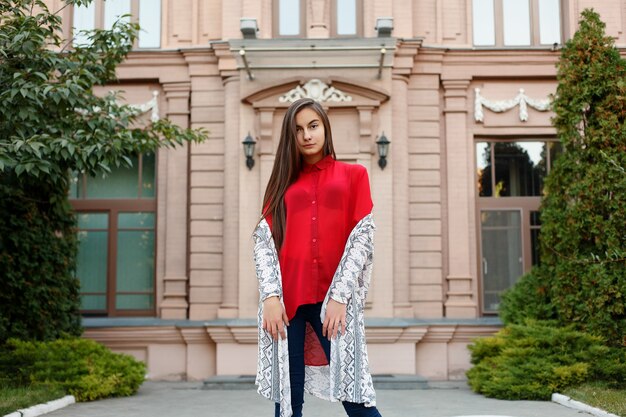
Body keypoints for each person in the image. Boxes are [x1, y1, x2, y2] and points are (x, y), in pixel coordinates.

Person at [252, 97, 382, 417]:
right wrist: (270, 296)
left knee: (356, 400)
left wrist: (339, 297)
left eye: (313, 126)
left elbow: (361, 238)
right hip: (288, 306)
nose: (307, 135)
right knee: (288, 402)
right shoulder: (282, 184)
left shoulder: (354, 175)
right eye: (298, 130)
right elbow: (264, 242)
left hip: (332, 304)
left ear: (325, 128)